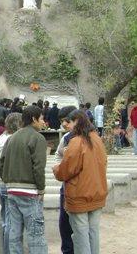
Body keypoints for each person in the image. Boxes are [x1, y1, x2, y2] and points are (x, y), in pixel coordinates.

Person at [53, 110, 108, 254]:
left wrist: (56, 169)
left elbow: (66, 170)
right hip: (97, 192)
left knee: (81, 235)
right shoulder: (97, 139)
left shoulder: (76, 142)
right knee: (93, 233)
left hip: (79, 195)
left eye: (69, 122)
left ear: (77, 121)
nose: (67, 125)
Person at [0, 105, 48, 254]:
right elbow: (38, 167)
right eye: (41, 118)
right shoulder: (38, 138)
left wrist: (8, 181)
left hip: (12, 191)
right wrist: (41, 188)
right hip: (30, 192)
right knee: (35, 234)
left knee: (14, 233)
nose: (43, 122)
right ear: (34, 119)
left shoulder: (11, 138)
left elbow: (1, 164)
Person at [0, 112, 22, 254]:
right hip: (8, 184)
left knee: (5, 221)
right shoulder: (13, 140)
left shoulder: (0, 138)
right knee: (11, 223)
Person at [53, 105, 78, 254]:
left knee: (81, 226)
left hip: (81, 187)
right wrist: (60, 167)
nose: (63, 124)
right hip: (66, 186)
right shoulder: (66, 138)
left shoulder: (89, 137)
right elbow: (58, 155)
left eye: (66, 121)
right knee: (64, 223)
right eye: (62, 121)